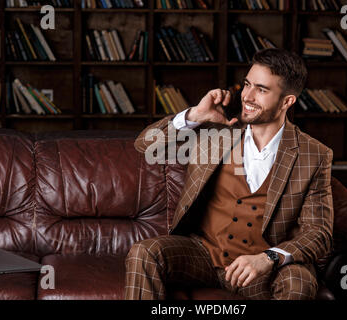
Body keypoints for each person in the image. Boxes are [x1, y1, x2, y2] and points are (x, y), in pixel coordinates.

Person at [125, 48, 334, 300]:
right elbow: (146, 145)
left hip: (258, 271)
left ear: (287, 101)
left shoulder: (313, 154)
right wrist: (194, 116)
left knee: (299, 281)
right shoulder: (218, 133)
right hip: (202, 255)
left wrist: (268, 258)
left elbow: (319, 233)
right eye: (247, 84)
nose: (247, 96)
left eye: (262, 89)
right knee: (144, 252)